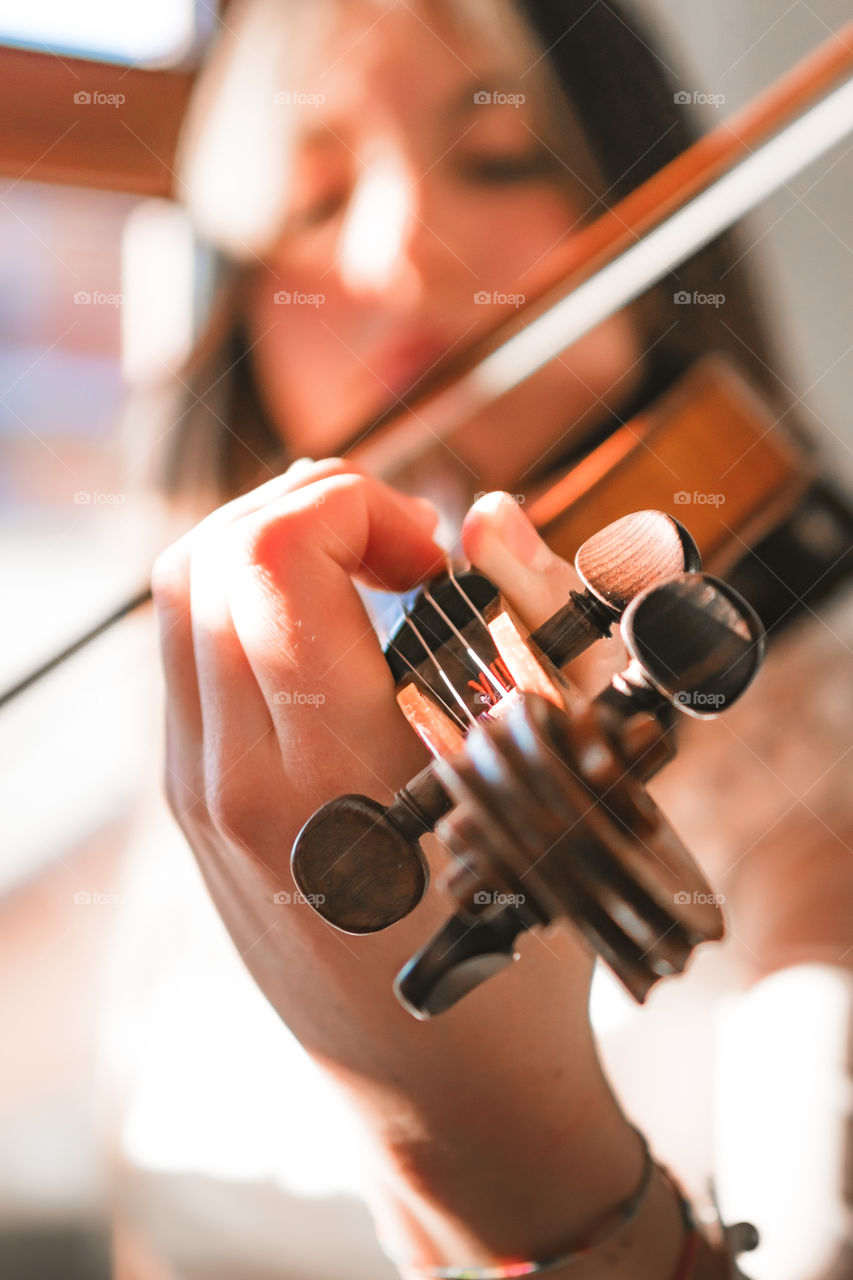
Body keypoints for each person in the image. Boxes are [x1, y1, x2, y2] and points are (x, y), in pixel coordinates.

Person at [127, 1, 853, 1276]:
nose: (402, 250)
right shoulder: (230, 751)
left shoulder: (821, 764)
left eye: (503, 158)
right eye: (311, 198)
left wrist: (533, 1190)